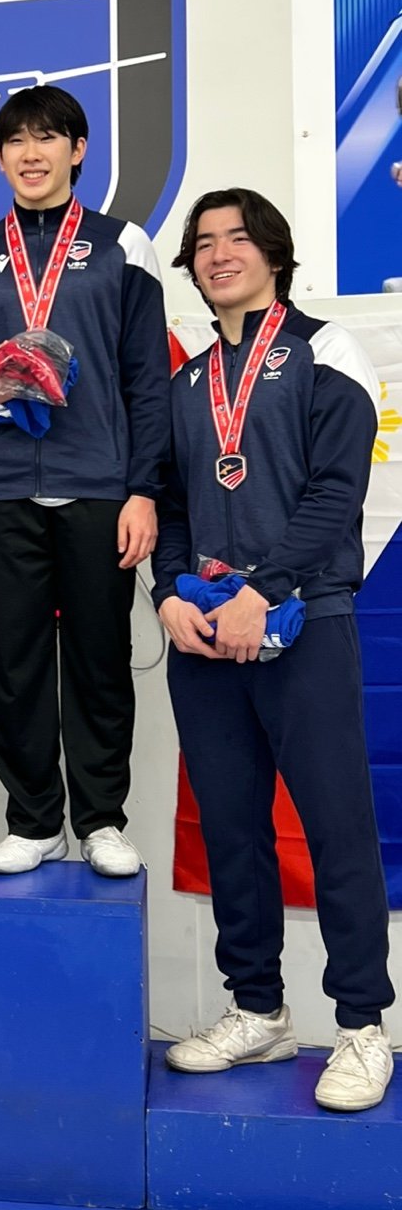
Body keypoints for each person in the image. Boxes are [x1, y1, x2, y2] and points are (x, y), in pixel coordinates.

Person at [154, 188, 394, 1110]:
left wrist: (264, 590)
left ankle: (363, 1024)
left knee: (336, 829)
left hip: (304, 625)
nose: (220, 254)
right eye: (205, 242)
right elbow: (169, 502)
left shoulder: (328, 351)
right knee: (232, 830)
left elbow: (336, 494)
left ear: (275, 253)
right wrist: (170, 592)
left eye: (238, 238)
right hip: (206, 639)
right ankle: (258, 1011)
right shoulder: (186, 382)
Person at [0, 86, 169, 878]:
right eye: (15, 141)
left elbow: (149, 380)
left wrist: (143, 489)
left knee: (102, 658)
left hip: (100, 483)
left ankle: (103, 819)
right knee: (14, 661)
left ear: (79, 150)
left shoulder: (123, 246)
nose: (31, 154)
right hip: (3, 485)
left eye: (49, 138)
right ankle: (34, 819)